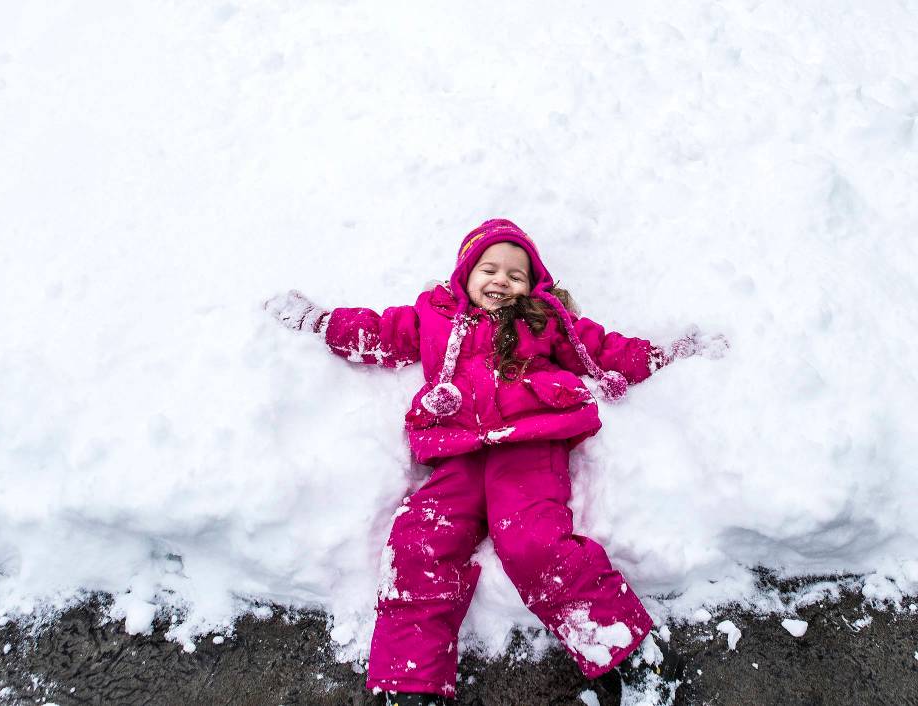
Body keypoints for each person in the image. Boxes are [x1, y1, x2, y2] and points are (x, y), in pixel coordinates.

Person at [265, 219, 727, 706]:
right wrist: (319, 321)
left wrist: (666, 354)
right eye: (489, 268)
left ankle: (631, 653)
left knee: (533, 542)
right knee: (419, 542)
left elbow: (605, 350)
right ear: (464, 275)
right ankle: (410, 686)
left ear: (534, 285)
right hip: (457, 454)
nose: (501, 280)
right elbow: (377, 332)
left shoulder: (543, 320)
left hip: (528, 446)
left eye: (516, 274)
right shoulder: (431, 316)